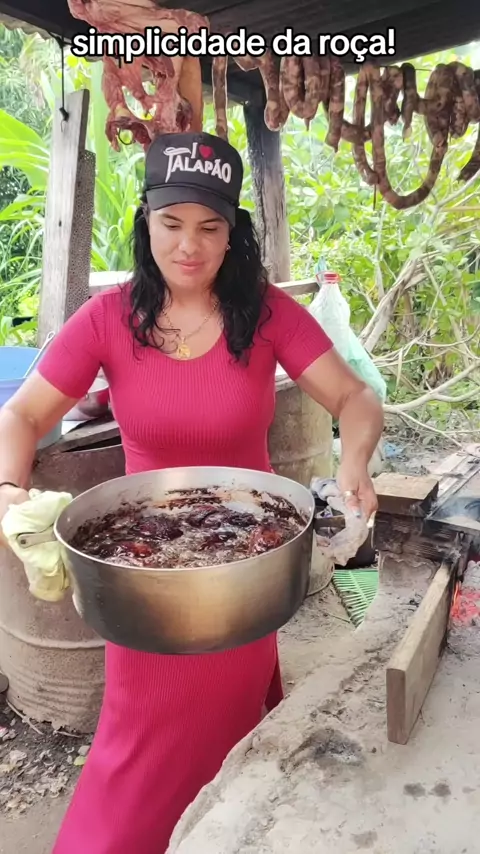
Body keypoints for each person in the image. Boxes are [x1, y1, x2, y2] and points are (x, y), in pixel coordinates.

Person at [0, 130, 383, 853]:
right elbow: (21, 415)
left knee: (232, 743)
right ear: (146, 221)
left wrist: (355, 462)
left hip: (247, 563)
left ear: (233, 232)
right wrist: (7, 489)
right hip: (141, 577)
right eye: (171, 223)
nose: (189, 246)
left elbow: (355, 397)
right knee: (138, 744)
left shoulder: (264, 313)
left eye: (210, 227)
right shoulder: (109, 319)